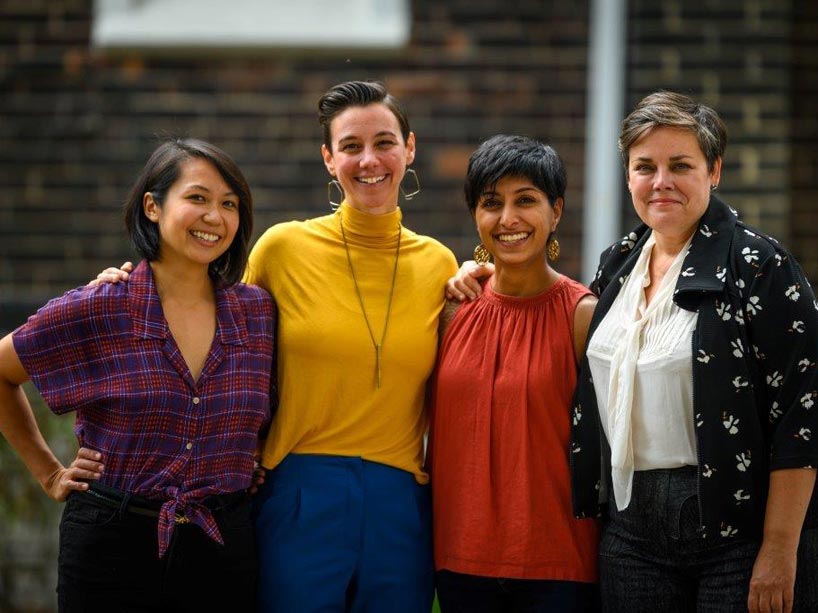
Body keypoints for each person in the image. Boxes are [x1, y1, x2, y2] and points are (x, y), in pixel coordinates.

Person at [89, 81, 458, 612]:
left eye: (384, 142)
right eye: (350, 146)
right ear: (329, 159)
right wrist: (131, 284)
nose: (369, 159)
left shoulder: (440, 264)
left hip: (400, 498)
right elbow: (209, 322)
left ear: (410, 148)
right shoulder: (284, 248)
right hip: (298, 491)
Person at [0, 138, 275, 612]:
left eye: (229, 204)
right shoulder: (104, 305)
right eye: (198, 198)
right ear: (153, 206)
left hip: (223, 547)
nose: (215, 217)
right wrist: (49, 474)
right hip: (112, 544)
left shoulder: (258, 314)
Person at [568, 91, 817, 612]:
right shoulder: (616, 264)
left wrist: (778, 550)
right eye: (644, 167)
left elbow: (804, 415)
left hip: (735, 532)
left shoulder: (760, 264)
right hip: (629, 531)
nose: (661, 182)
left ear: (715, 170)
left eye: (680, 165)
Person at [428, 134, 600, 612]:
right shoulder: (451, 310)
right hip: (460, 559)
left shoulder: (582, 315)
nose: (508, 219)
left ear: (556, 211)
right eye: (491, 203)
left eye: (526, 200)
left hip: (559, 563)